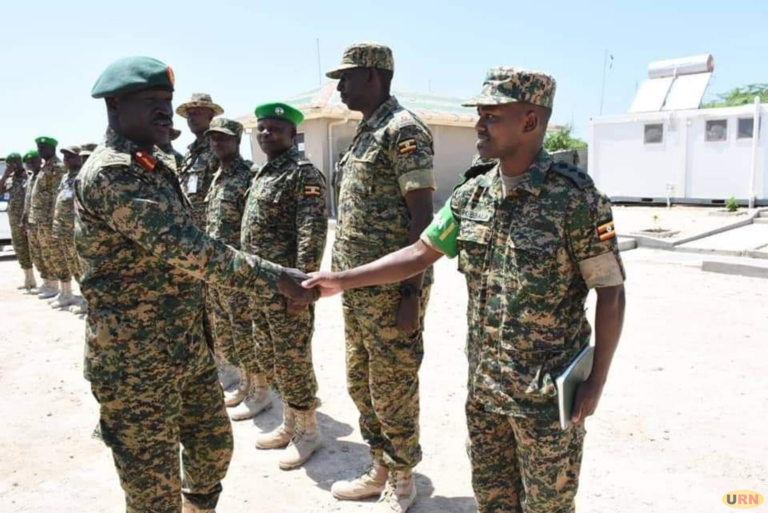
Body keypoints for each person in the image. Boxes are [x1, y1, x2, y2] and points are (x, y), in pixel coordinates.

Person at [304, 67, 627, 513]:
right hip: (486, 393)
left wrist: (597, 381)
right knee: (493, 502)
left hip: (546, 400)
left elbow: (610, 291)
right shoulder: (472, 194)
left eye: (491, 116)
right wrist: (340, 280)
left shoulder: (575, 200)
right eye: (479, 114)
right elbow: (419, 252)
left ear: (530, 122)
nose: (479, 125)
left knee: (549, 505)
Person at [76, 56, 317, 513]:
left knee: (212, 451)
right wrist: (277, 278)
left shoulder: (154, 163)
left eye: (166, 101)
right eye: (151, 102)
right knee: (153, 493)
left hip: (185, 344)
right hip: (135, 361)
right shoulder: (113, 173)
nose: (165, 112)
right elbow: (192, 250)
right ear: (114, 106)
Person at [325, 42, 436, 512]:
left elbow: (422, 221)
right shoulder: (364, 133)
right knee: (360, 378)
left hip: (393, 291)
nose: (339, 86)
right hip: (357, 287)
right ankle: (380, 464)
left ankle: (403, 478)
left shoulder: (403, 130)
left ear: (372, 76)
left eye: (346, 77)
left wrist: (410, 292)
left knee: (393, 383)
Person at [244, 102, 328, 470]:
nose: (266, 134)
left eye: (275, 129)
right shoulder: (263, 173)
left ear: (292, 135)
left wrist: (303, 291)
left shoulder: (302, 174)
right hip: (260, 288)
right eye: (261, 129)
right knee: (271, 356)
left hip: (286, 291)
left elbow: (312, 235)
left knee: (293, 361)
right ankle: (289, 423)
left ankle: (309, 432)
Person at [201, 117, 270, 422]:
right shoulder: (217, 176)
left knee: (245, 330)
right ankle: (244, 382)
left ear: (238, 141)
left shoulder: (249, 175)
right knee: (227, 331)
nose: (218, 143)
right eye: (213, 138)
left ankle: (260, 391)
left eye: (224, 138)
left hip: (239, 269)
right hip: (217, 271)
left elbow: (255, 225)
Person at [29, 136, 66, 300]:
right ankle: (50, 284)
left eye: (43, 147)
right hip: (40, 219)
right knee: (45, 253)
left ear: (53, 148)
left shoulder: (57, 168)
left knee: (55, 253)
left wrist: (53, 220)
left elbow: (56, 195)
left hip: (50, 219)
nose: (40, 151)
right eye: (39, 148)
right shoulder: (45, 168)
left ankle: (62, 289)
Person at [50, 145, 83, 309]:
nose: (66, 160)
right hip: (63, 228)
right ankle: (68, 294)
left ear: (80, 158)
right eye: (65, 157)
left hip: (75, 230)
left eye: (71, 156)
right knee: (71, 264)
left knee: (81, 264)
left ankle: (87, 300)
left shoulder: (82, 177)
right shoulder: (66, 177)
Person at [0, 153, 35, 289]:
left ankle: (49, 281)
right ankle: (29, 278)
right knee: (20, 248)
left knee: (37, 249)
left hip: (29, 219)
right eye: (11, 163)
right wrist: (6, 174)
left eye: (16, 162)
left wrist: (22, 171)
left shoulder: (30, 175)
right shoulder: (10, 179)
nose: (14, 165)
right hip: (15, 221)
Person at [22, 150, 45, 291]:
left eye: (33, 161)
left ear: (39, 161)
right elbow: (28, 200)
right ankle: (46, 282)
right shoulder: (31, 178)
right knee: (37, 253)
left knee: (48, 253)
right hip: (31, 221)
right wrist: (24, 218)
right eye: (28, 162)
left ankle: (53, 284)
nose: (31, 164)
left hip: (43, 221)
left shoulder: (44, 175)